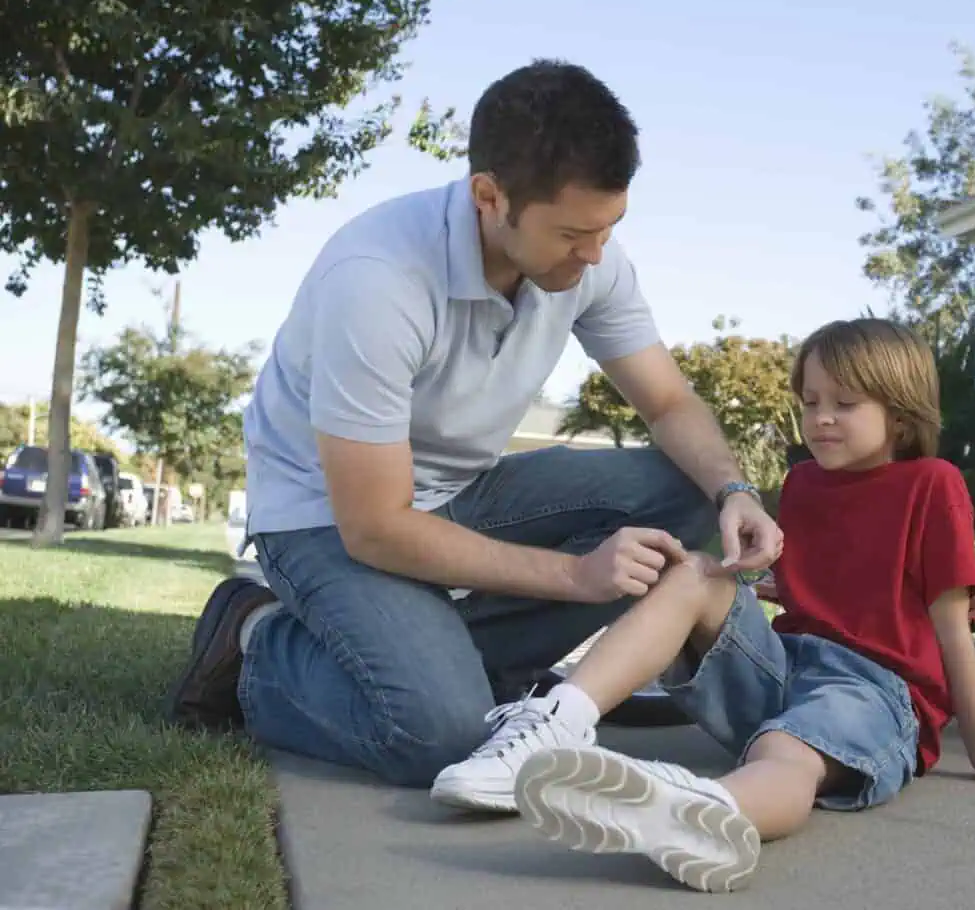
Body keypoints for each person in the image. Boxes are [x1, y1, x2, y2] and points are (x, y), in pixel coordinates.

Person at [164, 59, 784, 788]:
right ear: (490, 197)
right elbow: (376, 528)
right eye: (573, 234)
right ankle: (258, 642)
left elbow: (671, 405)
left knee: (685, 488)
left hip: (465, 490)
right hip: (325, 518)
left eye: (610, 228)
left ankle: (448, 660)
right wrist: (576, 576)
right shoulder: (376, 280)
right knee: (443, 733)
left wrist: (734, 491)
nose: (594, 256)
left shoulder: (589, 259)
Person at [431, 317, 975, 892]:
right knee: (695, 573)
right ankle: (559, 719)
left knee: (789, 753)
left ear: (902, 415)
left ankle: (707, 811)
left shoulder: (931, 485)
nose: (820, 417)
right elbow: (786, 591)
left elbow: (952, 631)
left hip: (877, 693)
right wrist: (741, 566)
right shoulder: (799, 485)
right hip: (783, 669)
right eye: (810, 401)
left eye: (845, 403)